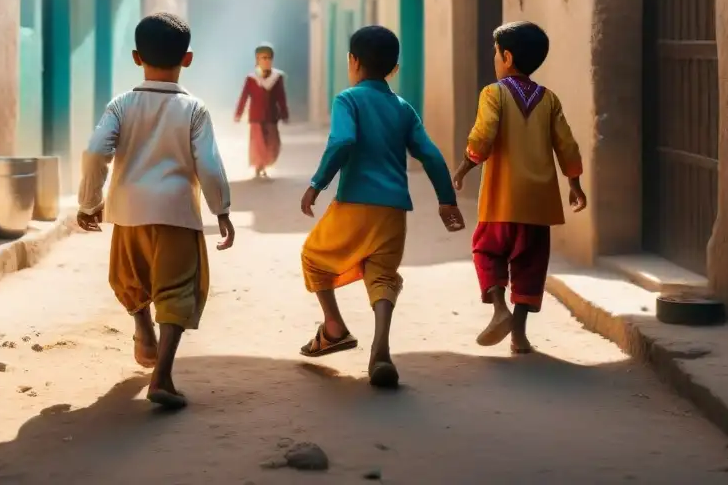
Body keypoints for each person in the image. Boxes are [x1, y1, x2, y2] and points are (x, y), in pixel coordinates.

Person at [76, 13, 235, 410]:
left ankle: (141, 327)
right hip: (177, 214)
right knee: (177, 291)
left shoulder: (121, 104)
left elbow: (97, 151)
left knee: (131, 278)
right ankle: (162, 375)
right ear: (188, 59)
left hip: (128, 212)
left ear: (135, 57)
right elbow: (210, 166)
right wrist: (222, 210)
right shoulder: (195, 110)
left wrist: (89, 202)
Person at [299, 25, 465, 388]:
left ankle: (334, 327)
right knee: (383, 276)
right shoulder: (403, 108)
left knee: (313, 256)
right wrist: (446, 200)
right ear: (394, 68)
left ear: (353, 61)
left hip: (355, 203)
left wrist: (317, 183)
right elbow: (432, 155)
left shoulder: (348, 100)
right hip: (393, 211)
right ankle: (380, 349)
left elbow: (343, 140)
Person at [452, 21, 587, 355]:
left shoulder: (493, 93)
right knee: (530, 264)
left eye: (496, 54)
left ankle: (500, 309)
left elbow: (484, 135)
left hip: (501, 200)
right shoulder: (549, 99)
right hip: (539, 205)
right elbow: (567, 145)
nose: (494, 60)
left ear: (507, 57)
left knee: (487, 251)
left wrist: (467, 164)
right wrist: (574, 183)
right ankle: (520, 335)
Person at [235, 43, 289, 179]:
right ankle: (260, 165)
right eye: (262, 58)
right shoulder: (251, 79)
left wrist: (284, 114)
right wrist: (238, 113)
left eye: (268, 58)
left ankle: (265, 163)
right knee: (258, 143)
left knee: (273, 143)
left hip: (271, 117)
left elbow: (281, 97)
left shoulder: (277, 78)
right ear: (257, 60)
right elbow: (244, 97)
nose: (266, 61)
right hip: (256, 117)